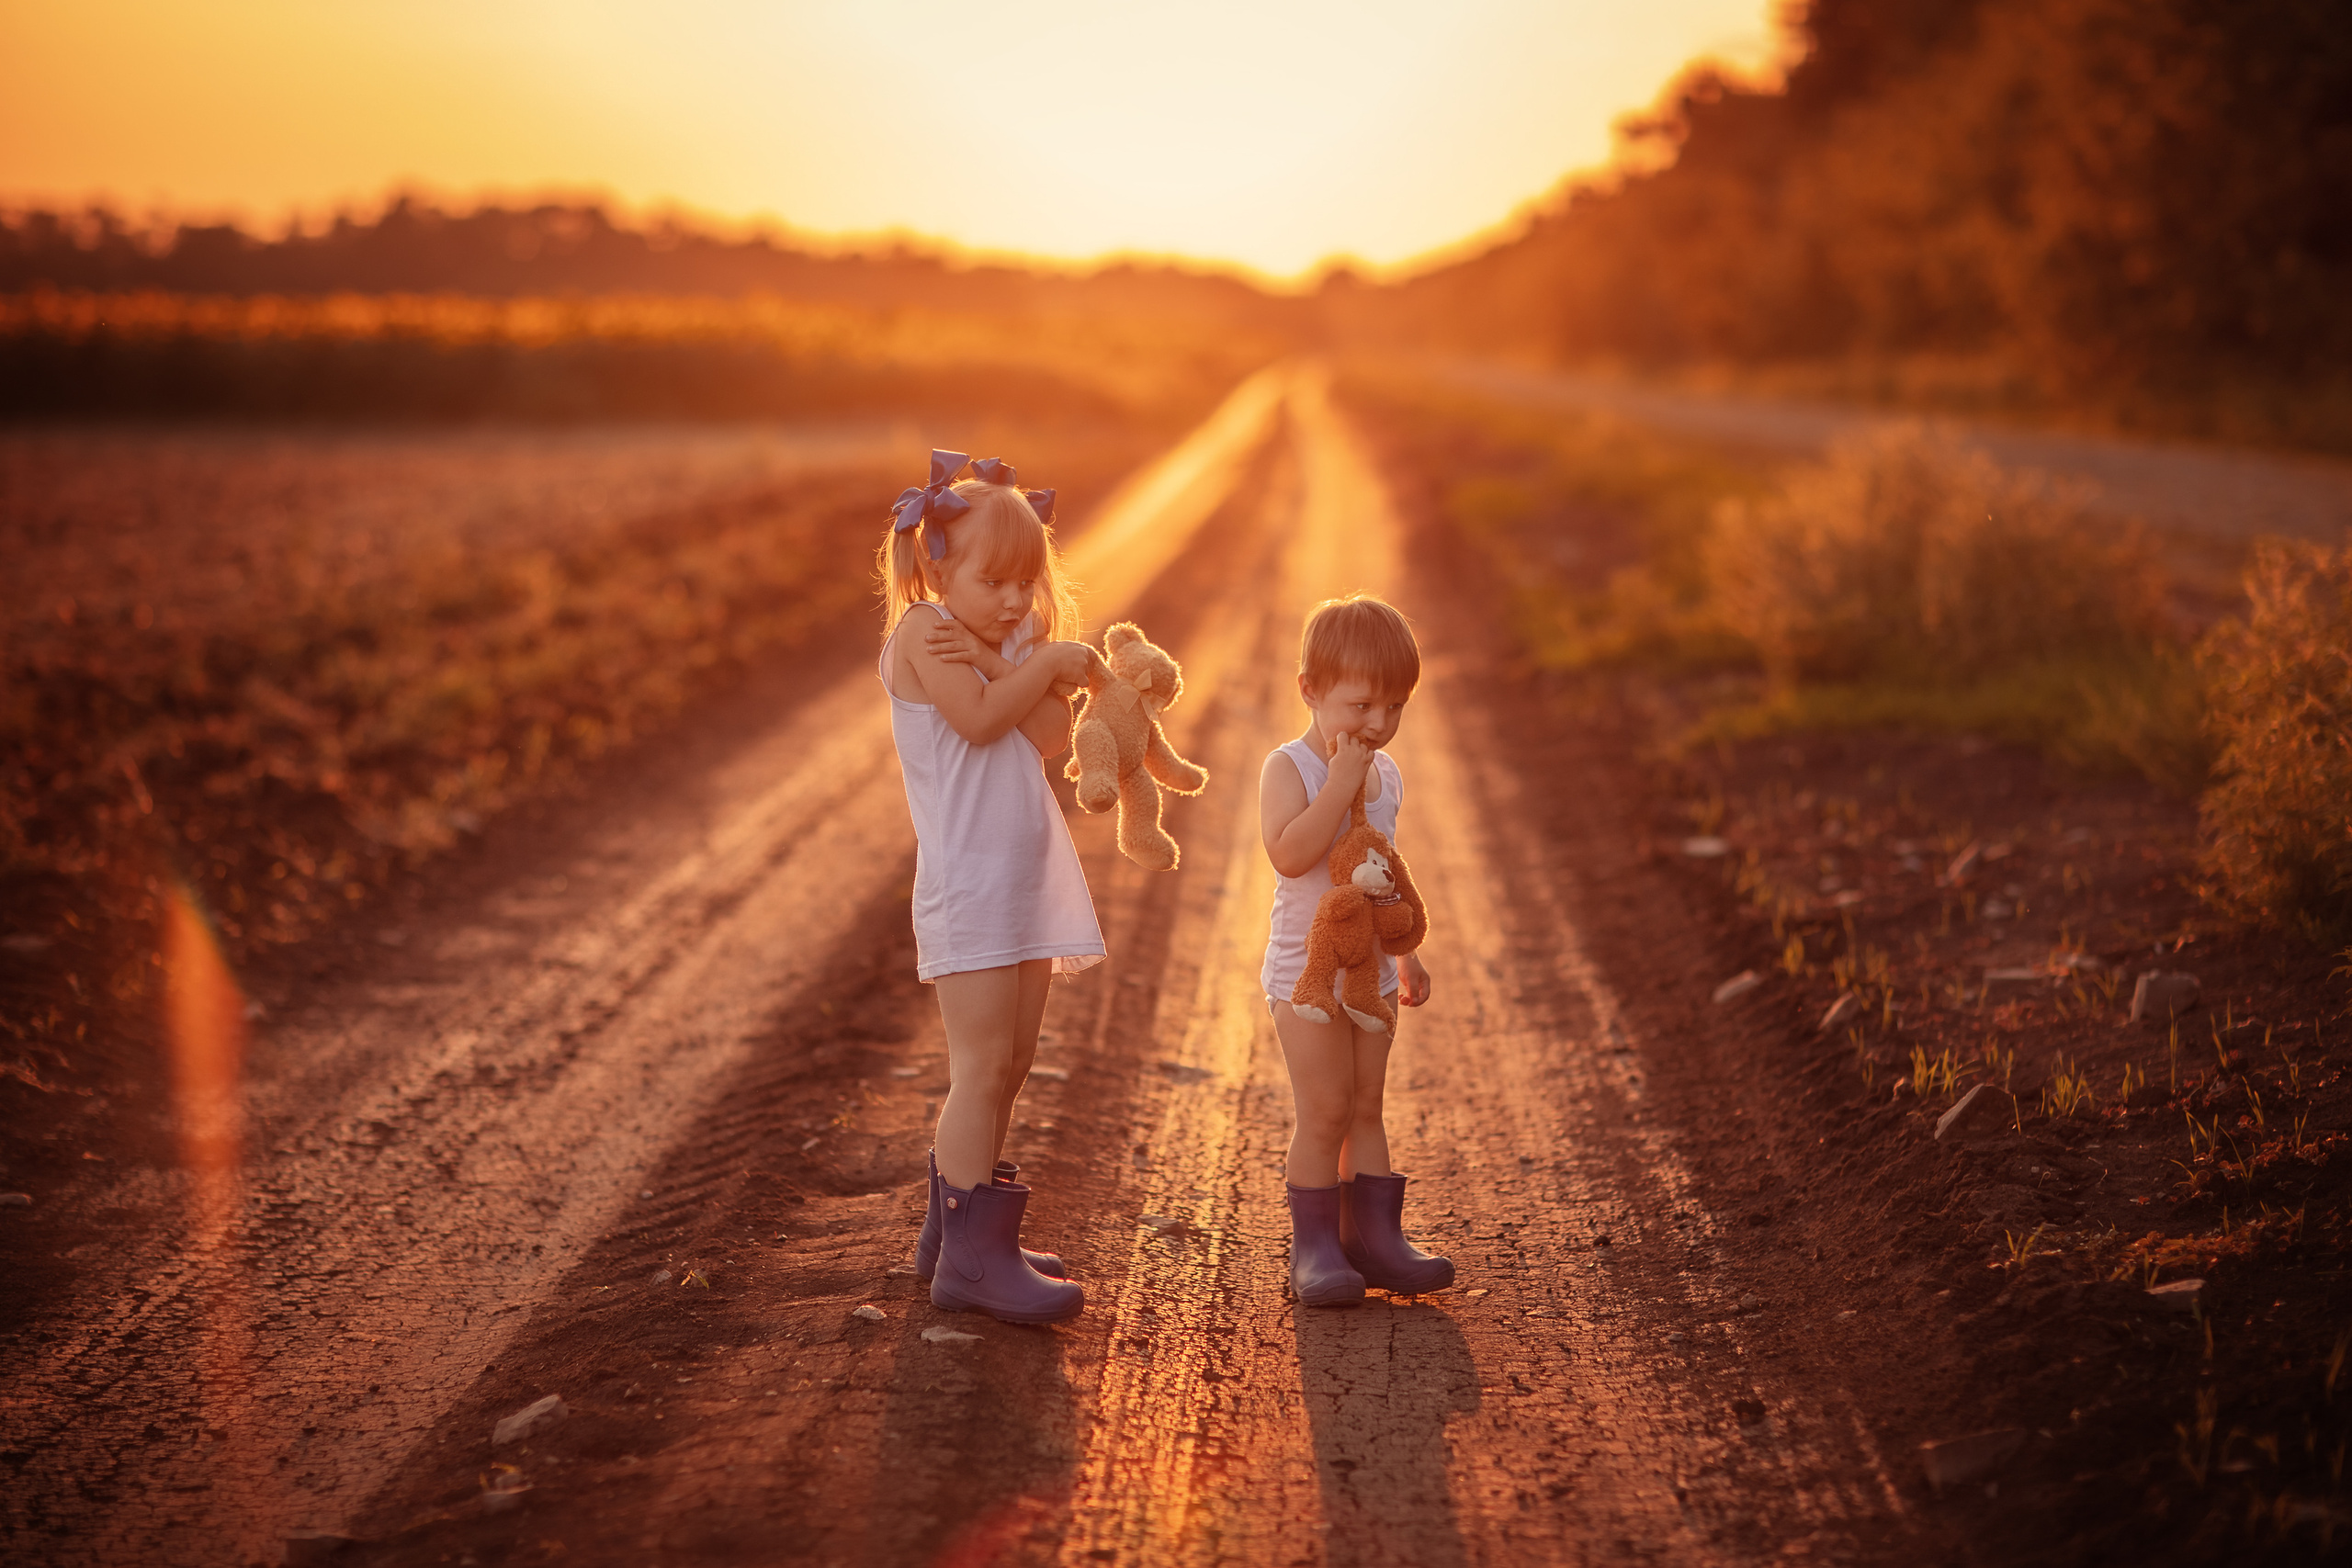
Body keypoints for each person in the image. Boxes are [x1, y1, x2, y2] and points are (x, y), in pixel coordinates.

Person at [878, 450, 1100, 1324]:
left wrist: (1021, 656)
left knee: (1011, 1064)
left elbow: (1046, 735)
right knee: (976, 1069)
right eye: (994, 579)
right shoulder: (921, 636)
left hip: (1022, 878)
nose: (1015, 600)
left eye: (1026, 582)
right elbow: (974, 722)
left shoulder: (1003, 640)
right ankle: (971, 1262)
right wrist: (1038, 663)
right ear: (937, 568)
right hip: (967, 883)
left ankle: (961, 1232)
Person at [1258, 594, 1455, 1307]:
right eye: (1362, 703)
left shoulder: (1387, 773)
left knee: (1368, 1103)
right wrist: (1339, 783)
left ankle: (1373, 1239)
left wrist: (1406, 953)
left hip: (1368, 973)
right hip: (1305, 978)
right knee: (1327, 1107)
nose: (1378, 722)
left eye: (1396, 705)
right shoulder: (1292, 768)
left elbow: (1386, 876)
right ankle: (1314, 1247)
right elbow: (1288, 854)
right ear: (1309, 689)